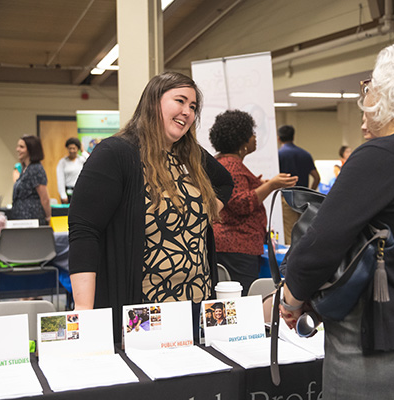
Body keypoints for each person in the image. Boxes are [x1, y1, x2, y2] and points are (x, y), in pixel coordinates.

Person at [279, 41, 394, 399]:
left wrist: (289, 300)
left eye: (370, 86)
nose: (366, 97)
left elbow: (321, 244)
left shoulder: (382, 155)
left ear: (390, 92)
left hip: (376, 344)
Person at [68, 71, 234, 342]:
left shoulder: (190, 156)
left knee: (194, 380)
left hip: (195, 304)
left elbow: (225, 182)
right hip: (144, 309)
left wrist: (206, 211)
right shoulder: (116, 154)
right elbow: (84, 229)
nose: (187, 112)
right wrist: (84, 309)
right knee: (152, 379)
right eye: (180, 101)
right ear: (153, 101)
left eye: (193, 107)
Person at [209, 110, 297, 295]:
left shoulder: (222, 162)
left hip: (228, 246)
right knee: (241, 300)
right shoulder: (232, 166)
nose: (255, 138)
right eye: (251, 133)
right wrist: (271, 185)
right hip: (237, 248)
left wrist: (260, 185)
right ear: (242, 141)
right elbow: (240, 203)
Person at [277, 125, 320, 244]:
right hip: (304, 199)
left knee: (289, 233)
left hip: (286, 198)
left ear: (278, 138)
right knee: (304, 231)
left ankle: (291, 261)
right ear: (293, 137)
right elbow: (316, 177)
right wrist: (310, 192)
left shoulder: (279, 155)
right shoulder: (305, 154)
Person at [11, 135, 52, 225]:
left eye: (21, 147)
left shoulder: (36, 168)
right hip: (21, 217)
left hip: (32, 217)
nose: (17, 149)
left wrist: (49, 218)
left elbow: (44, 198)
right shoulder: (25, 168)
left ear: (31, 149)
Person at [56, 137, 87, 204]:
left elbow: (91, 161)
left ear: (77, 149)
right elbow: (60, 179)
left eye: (74, 148)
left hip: (80, 192)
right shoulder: (62, 162)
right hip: (68, 192)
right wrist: (63, 195)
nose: (72, 150)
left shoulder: (81, 160)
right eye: (70, 148)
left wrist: (83, 151)